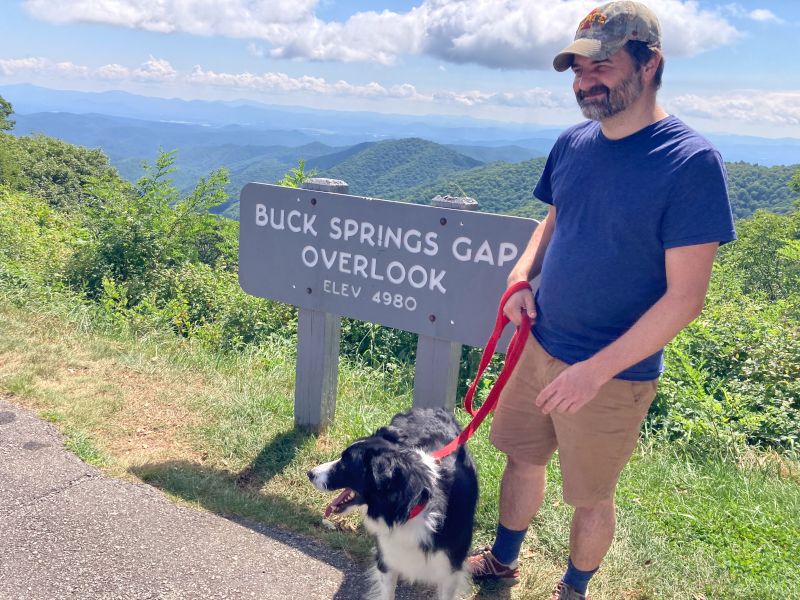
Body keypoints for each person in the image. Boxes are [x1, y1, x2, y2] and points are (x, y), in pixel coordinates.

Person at [466, 2, 736, 599]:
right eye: (576, 70)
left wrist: (595, 372)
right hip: (539, 344)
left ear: (650, 63)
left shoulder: (690, 163)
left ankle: (574, 590)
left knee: (590, 495)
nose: (584, 81)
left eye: (601, 66)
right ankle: (503, 561)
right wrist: (518, 280)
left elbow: (685, 298)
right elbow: (553, 223)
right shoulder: (573, 143)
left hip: (613, 374)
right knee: (521, 459)